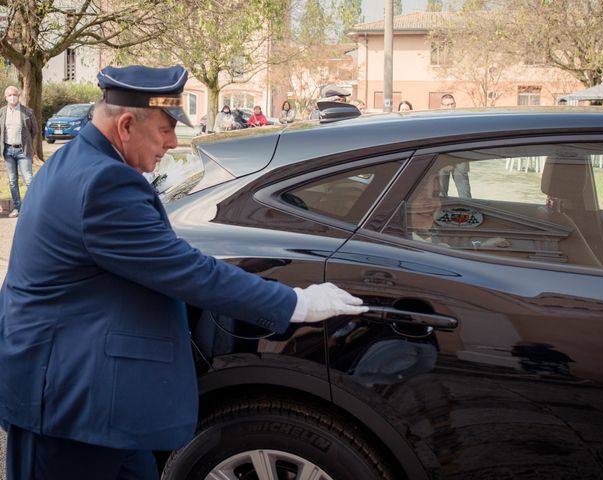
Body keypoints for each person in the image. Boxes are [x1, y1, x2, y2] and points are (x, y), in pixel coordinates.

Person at [0, 64, 367, 480]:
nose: (173, 143)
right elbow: (184, 270)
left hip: (91, 399)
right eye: (164, 130)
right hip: (69, 406)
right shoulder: (104, 183)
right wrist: (295, 302)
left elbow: (150, 257)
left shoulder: (80, 161)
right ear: (125, 125)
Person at [0, 86, 38, 218]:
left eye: (14, 94)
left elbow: (35, 131)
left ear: (19, 95)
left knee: (28, 179)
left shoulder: (28, 111)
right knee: (12, 181)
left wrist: (27, 143)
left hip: (23, 151)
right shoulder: (2, 112)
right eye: (9, 95)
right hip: (8, 150)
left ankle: (34, 207)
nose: (12, 97)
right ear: (6, 97)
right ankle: (17, 207)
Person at [438, 94, 471, 198]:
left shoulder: (462, 120)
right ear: (441, 106)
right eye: (447, 105)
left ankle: (468, 212)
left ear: (455, 104)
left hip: (460, 159)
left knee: (464, 193)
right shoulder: (436, 121)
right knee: (441, 193)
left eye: (452, 104)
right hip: (443, 159)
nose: (450, 107)